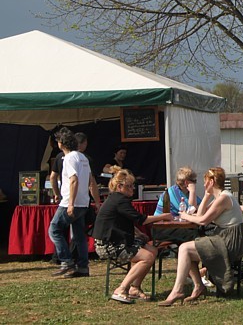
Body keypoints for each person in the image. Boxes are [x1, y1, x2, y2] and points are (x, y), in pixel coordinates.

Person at [159, 167, 243, 305]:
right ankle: (197, 286)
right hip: (223, 237)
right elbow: (200, 214)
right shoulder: (219, 197)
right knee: (186, 249)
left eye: (205, 181)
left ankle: (179, 290)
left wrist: (184, 215)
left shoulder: (223, 198)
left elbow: (202, 221)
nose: (203, 184)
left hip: (229, 241)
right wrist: (206, 196)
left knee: (184, 248)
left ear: (211, 182)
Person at [93, 169, 173, 303]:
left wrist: (139, 233)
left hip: (117, 241)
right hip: (108, 245)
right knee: (147, 257)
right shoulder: (120, 200)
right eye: (129, 186)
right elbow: (141, 219)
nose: (132, 189)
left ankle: (134, 288)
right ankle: (121, 289)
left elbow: (123, 221)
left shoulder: (116, 199)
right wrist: (165, 216)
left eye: (133, 185)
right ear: (119, 187)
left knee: (152, 250)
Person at [48, 127, 101, 278]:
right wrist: (95, 202)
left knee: (54, 229)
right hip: (84, 202)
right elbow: (91, 182)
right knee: (79, 235)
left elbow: (73, 180)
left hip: (70, 202)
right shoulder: (83, 157)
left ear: (61, 143)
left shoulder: (69, 158)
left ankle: (66, 260)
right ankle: (83, 267)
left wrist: (70, 203)